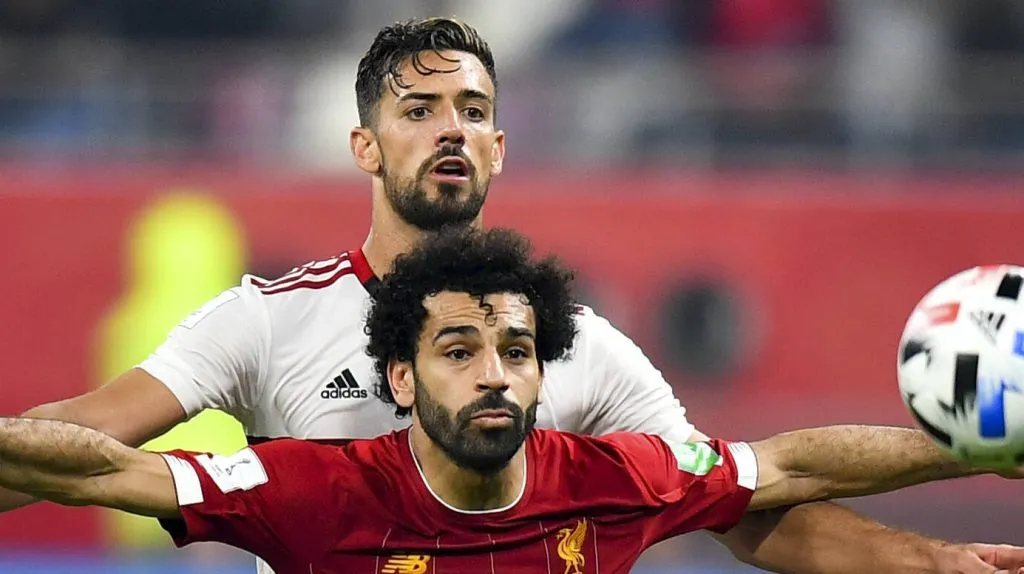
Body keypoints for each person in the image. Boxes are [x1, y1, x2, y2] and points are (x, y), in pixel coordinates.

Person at [3, 17, 1023, 574]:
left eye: (474, 109)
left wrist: (929, 562)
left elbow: (741, 505)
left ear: (498, 144)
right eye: (419, 108)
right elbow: (81, 446)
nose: (449, 128)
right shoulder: (266, 319)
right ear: (364, 144)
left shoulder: (581, 345)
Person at [0, 226, 1021, 574]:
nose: (493, 370)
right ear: (400, 380)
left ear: (544, 375)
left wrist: (975, 449)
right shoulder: (314, 487)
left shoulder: (614, 478)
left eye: (516, 350)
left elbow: (784, 467)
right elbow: (97, 460)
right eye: (458, 348)